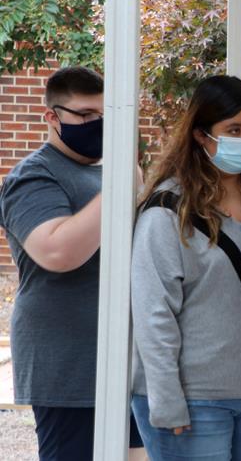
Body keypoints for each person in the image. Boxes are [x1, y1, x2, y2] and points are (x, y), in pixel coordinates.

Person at [130, 75, 241, 460]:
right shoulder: (168, 210)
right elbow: (153, 312)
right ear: (200, 135)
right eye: (234, 129)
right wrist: (166, 399)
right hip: (192, 401)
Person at [0, 67, 146, 460]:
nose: (97, 125)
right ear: (52, 116)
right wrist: (121, 187)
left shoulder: (108, 175)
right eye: (84, 116)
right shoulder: (32, 176)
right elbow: (57, 253)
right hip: (67, 362)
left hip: (124, 363)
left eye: (104, 115)